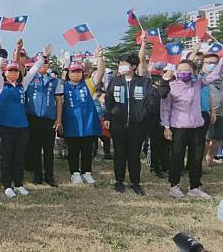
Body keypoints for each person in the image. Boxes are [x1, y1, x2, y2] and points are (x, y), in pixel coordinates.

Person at [161, 53, 223, 199]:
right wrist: (166, 127)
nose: (183, 73)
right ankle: (174, 186)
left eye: (186, 70)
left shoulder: (198, 83)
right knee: (177, 157)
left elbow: (215, 74)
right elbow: (165, 108)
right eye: (180, 70)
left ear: (193, 72)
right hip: (178, 128)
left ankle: (195, 187)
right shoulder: (171, 86)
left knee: (196, 158)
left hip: (198, 127)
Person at [104, 53, 171, 195]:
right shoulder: (115, 81)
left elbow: (160, 93)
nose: (121, 66)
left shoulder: (144, 82)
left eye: (124, 64)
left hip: (138, 125)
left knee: (134, 155)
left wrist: (165, 81)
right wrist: (107, 118)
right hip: (118, 124)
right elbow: (109, 101)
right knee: (119, 154)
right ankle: (119, 181)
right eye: (120, 63)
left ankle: (135, 182)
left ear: (133, 66)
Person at [0, 40, 45, 199]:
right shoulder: (1, 84)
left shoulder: (23, 84)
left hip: (22, 127)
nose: (13, 73)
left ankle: (18, 183)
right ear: (5, 72)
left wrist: (44, 56)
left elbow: (35, 69)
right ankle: (7, 185)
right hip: (4, 127)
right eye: (10, 70)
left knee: (19, 157)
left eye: (16, 70)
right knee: (6, 157)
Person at [62, 47, 105, 185]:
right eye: (73, 71)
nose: (76, 74)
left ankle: (86, 172)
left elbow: (100, 73)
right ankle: (74, 173)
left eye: (79, 71)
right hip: (71, 124)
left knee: (87, 150)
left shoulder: (87, 84)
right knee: (73, 150)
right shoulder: (62, 86)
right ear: (68, 73)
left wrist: (99, 57)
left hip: (87, 124)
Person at [24, 48, 63, 187]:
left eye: (47, 63)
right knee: (35, 148)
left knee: (48, 149)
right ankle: (37, 175)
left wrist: (59, 119)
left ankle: (49, 176)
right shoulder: (29, 78)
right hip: (33, 118)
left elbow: (58, 101)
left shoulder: (55, 81)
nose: (44, 65)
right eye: (42, 62)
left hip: (49, 119)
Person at [201, 53, 223, 166]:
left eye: (214, 63)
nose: (211, 65)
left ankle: (210, 158)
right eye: (208, 63)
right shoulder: (202, 77)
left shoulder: (221, 76)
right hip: (208, 112)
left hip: (222, 112)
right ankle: (202, 159)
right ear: (203, 64)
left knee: (217, 138)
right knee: (206, 139)